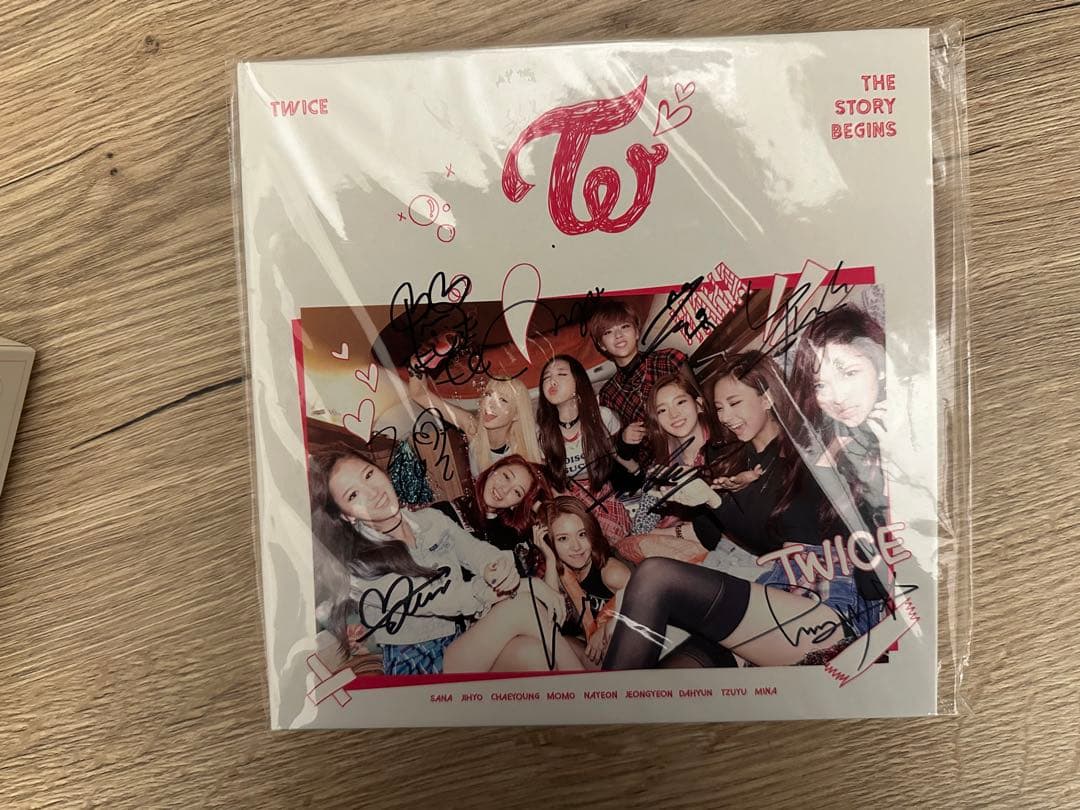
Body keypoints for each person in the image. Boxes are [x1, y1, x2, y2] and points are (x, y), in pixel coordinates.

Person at [310, 447, 580, 674]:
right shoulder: (360, 567)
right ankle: (589, 695)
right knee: (522, 606)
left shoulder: (430, 520)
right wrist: (525, 586)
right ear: (347, 515)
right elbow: (450, 598)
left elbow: (475, 551)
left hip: (457, 643)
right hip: (417, 666)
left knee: (536, 655)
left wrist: (495, 566)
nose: (372, 492)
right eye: (353, 495)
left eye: (368, 475)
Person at [536, 354, 632, 540]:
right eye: (546, 377)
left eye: (561, 374)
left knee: (620, 536)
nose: (552, 381)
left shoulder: (603, 417)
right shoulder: (541, 433)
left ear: (578, 382)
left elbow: (618, 455)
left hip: (603, 490)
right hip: (569, 498)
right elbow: (546, 479)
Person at [587, 299, 686, 464]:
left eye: (625, 326)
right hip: (656, 467)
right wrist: (624, 439)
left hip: (693, 445)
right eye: (608, 332)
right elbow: (624, 455)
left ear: (637, 332)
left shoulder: (669, 359)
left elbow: (702, 406)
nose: (618, 335)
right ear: (601, 345)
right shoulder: (608, 394)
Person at [535, 496, 631, 668]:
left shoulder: (611, 572)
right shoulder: (565, 573)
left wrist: (607, 626)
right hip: (594, 653)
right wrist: (550, 558)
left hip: (628, 656)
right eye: (563, 538)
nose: (576, 547)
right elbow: (549, 620)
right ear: (551, 543)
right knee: (547, 645)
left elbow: (647, 606)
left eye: (582, 534)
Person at [408, 374, 542, 476]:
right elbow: (419, 394)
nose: (490, 404)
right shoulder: (472, 428)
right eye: (489, 394)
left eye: (503, 400)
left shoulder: (525, 450)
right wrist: (417, 364)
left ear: (516, 414)